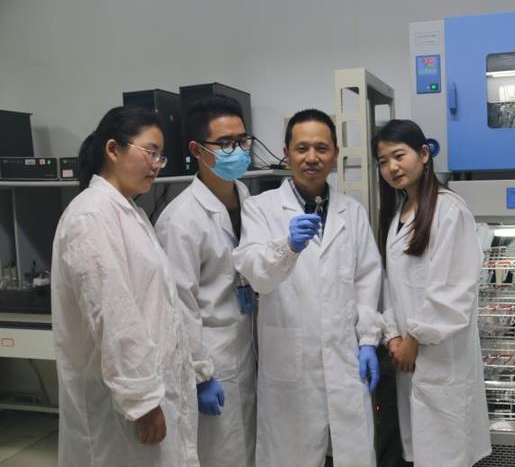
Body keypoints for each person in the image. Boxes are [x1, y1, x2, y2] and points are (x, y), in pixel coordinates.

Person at [50, 106, 199, 467]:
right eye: (151, 152)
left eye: (161, 156)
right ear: (113, 149)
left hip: (148, 387)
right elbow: (114, 315)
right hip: (121, 404)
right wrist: (142, 400)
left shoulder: (129, 212)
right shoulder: (91, 215)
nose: (156, 165)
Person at [233, 109, 382, 467]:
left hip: (344, 359)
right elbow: (256, 274)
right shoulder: (260, 208)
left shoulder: (352, 212)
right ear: (287, 153)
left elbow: (367, 277)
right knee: (290, 455)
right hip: (290, 366)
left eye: (321, 148)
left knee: (352, 453)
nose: (311, 158)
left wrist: (368, 340)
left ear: (335, 154)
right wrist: (287, 247)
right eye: (302, 148)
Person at [372, 119, 491, 467]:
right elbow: (390, 285)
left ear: (424, 154)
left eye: (399, 155)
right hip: (409, 358)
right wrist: (393, 335)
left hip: (440, 357)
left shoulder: (450, 209)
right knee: (424, 452)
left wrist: (413, 338)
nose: (392, 167)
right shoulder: (399, 215)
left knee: (445, 452)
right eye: (383, 161)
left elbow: (454, 290)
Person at [155, 96, 256, 467]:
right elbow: (179, 305)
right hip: (211, 356)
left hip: (245, 347)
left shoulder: (246, 197)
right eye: (225, 144)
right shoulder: (179, 220)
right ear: (197, 150)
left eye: (242, 141)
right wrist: (200, 374)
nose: (238, 151)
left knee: (248, 449)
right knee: (219, 455)